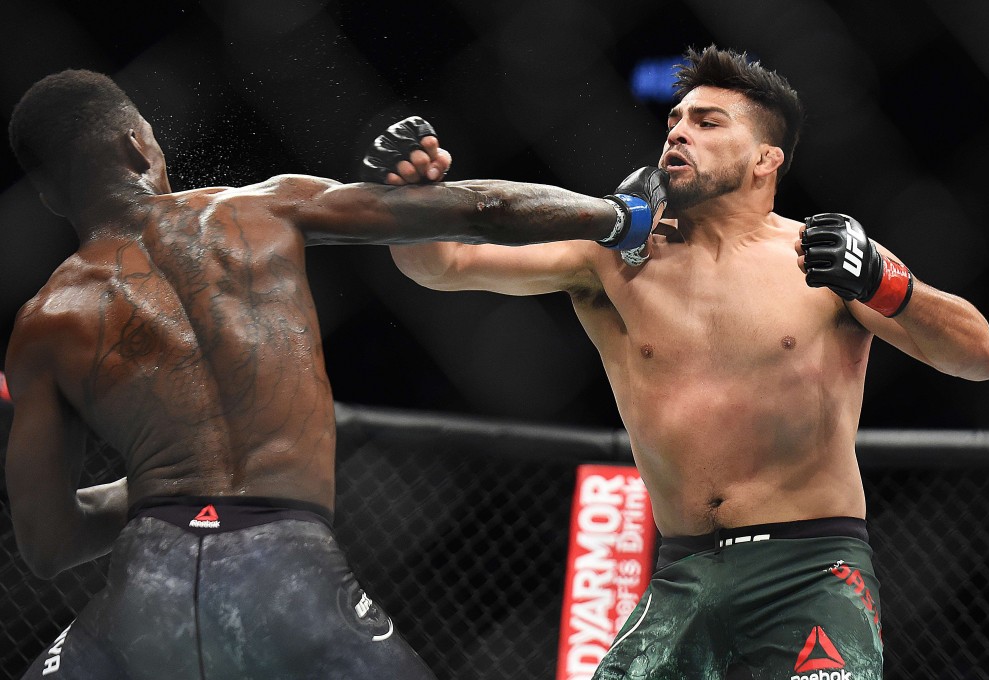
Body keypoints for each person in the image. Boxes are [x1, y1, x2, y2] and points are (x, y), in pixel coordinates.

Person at [2, 69, 667, 679]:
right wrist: (621, 217)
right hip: (285, 572)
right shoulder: (259, 210)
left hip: (145, 588)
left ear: (49, 194)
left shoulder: (45, 321)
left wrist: (163, 486)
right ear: (138, 147)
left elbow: (49, 542)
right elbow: (482, 209)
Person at [370, 46, 989, 679]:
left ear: (766, 158)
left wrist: (887, 284)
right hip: (684, 574)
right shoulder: (617, 255)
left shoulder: (822, 258)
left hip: (811, 571)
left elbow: (980, 358)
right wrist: (410, 201)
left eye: (708, 121)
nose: (677, 132)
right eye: (675, 120)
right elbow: (443, 265)